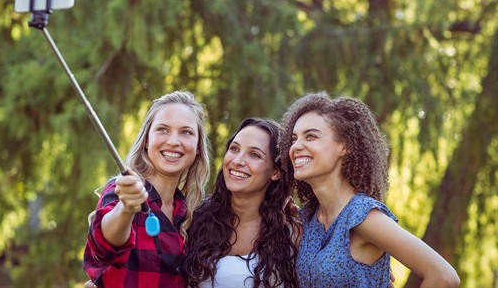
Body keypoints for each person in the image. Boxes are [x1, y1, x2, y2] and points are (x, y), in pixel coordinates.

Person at [277, 91, 461, 288]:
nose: (296, 146)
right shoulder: (309, 218)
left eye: (311, 136)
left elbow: (443, 276)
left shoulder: (363, 216)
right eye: (294, 138)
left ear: (345, 146)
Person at [83, 90, 212, 288]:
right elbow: (106, 246)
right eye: (163, 129)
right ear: (146, 140)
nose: (173, 141)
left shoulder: (191, 213)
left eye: (186, 132)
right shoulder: (123, 190)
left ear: (197, 148)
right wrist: (127, 208)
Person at [180, 117, 301, 288]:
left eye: (254, 155)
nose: (237, 161)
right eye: (234, 149)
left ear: (276, 171)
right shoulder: (195, 218)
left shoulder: (293, 232)